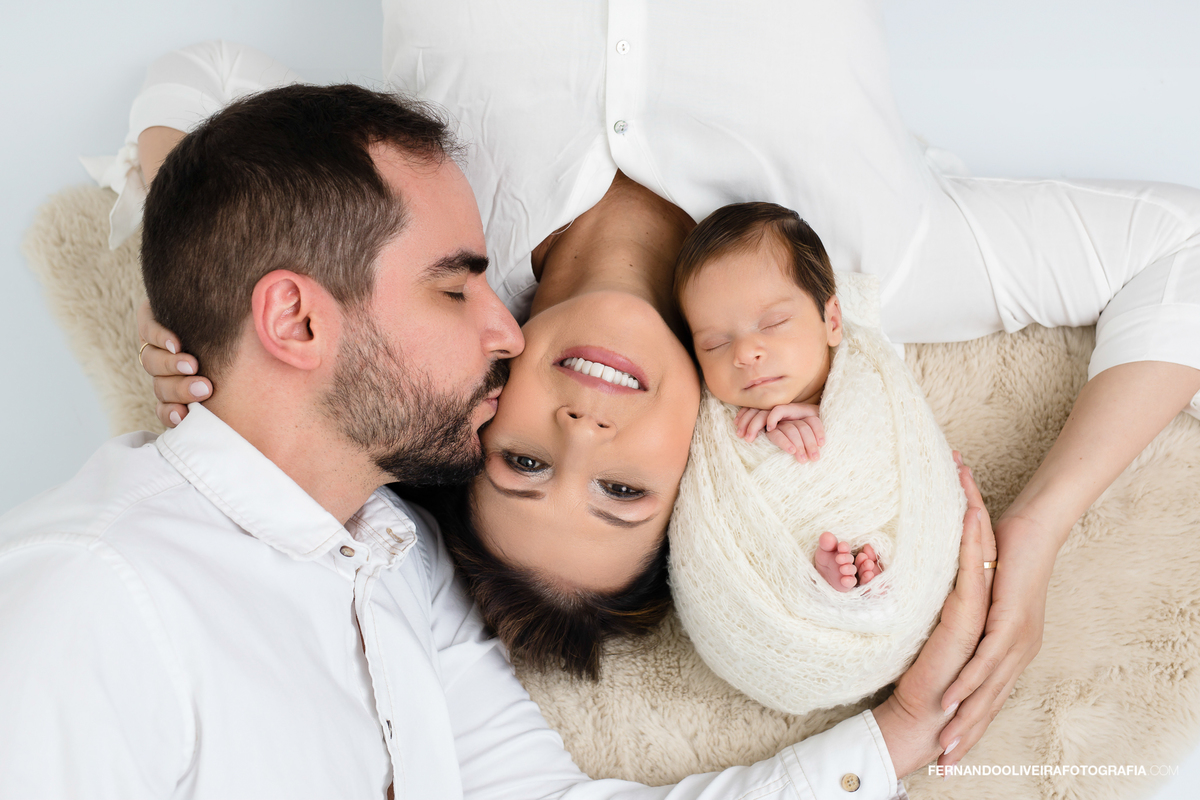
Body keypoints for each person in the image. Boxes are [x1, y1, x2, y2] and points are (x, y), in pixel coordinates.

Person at [128, 0, 1200, 768]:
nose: (585, 426)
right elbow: (1183, 247)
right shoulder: (858, 268)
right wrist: (1037, 531)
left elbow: (202, 79)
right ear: (697, 470)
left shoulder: (423, 223)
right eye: (621, 491)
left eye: (529, 461)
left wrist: (174, 264)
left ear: (487, 407)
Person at [4, 79, 993, 800]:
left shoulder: (396, 564)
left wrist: (899, 732)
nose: (506, 330)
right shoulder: (90, 594)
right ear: (298, 324)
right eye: (454, 286)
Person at [667, 201, 968, 716]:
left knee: (873, 536)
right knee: (816, 548)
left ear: (832, 319)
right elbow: (709, 491)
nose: (745, 353)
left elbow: (896, 442)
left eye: (774, 322)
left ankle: (864, 580)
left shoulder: (865, 377)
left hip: (876, 531)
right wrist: (762, 436)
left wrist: (816, 413)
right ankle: (830, 580)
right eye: (715, 343)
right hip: (760, 605)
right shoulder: (723, 419)